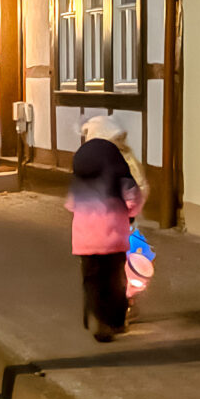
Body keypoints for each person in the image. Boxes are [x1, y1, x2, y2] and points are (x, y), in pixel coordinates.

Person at [65, 137, 145, 342]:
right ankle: (115, 322)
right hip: (113, 240)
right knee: (115, 281)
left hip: (85, 242)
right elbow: (133, 199)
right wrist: (130, 213)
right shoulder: (121, 178)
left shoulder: (79, 183)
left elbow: (70, 205)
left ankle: (94, 316)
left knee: (92, 281)